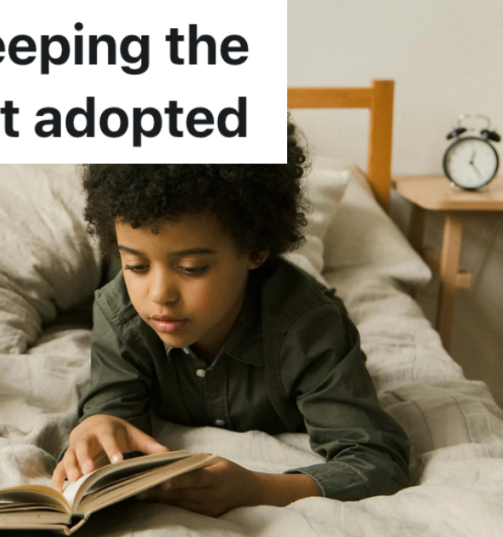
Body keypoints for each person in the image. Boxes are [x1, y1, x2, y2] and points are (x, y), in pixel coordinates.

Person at [51, 121, 410, 517]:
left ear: (256, 250)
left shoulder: (310, 329)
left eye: (191, 268)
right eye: (135, 264)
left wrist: (260, 488)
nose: (158, 295)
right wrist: (99, 423)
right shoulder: (119, 311)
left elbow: (376, 461)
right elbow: (112, 403)